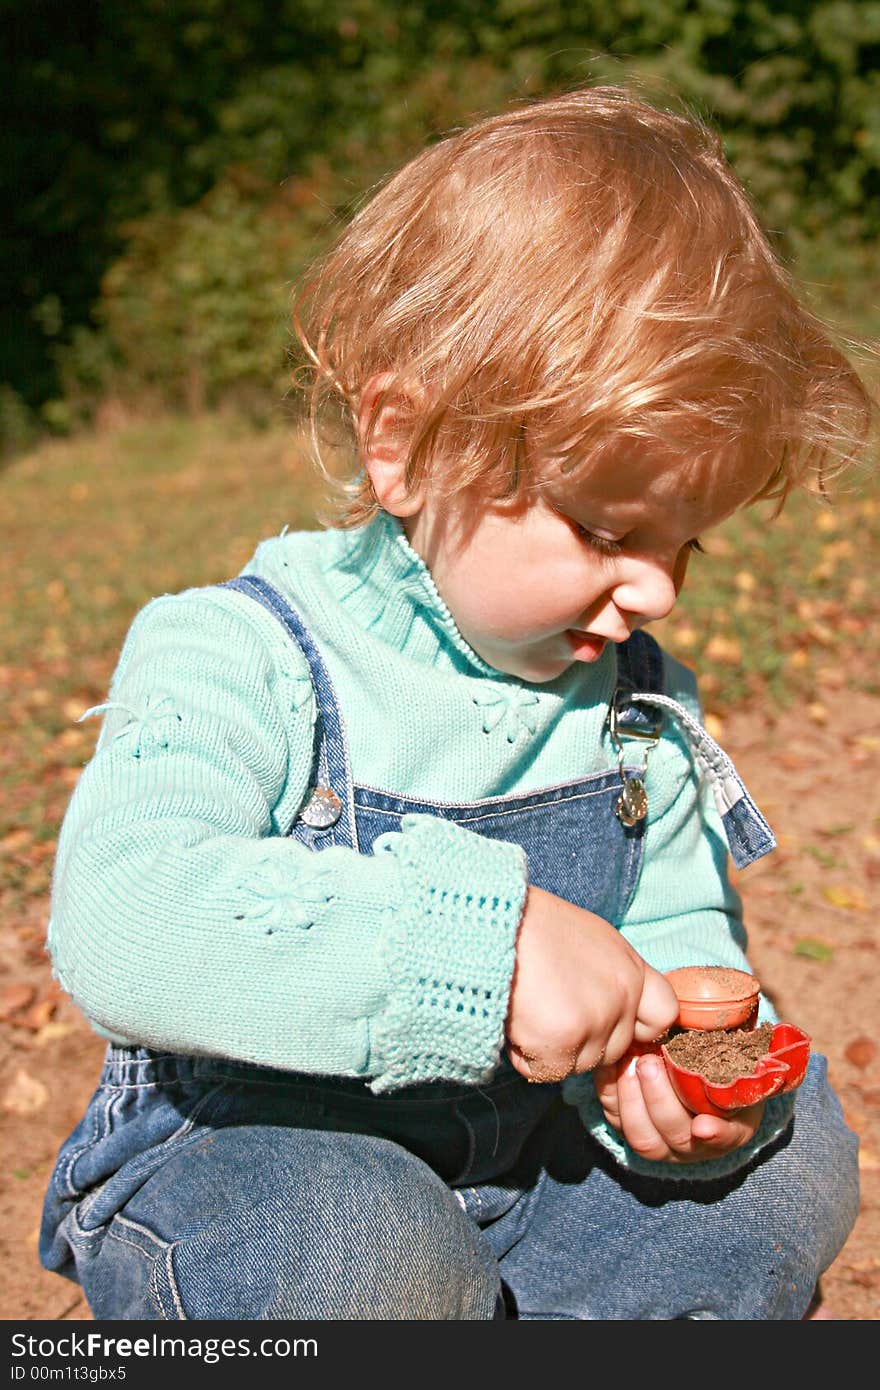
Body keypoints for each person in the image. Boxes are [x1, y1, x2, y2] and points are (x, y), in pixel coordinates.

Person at [40, 85, 874, 1321]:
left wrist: (679, 1082)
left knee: (792, 1143)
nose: (654, 588)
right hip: (255, 1168)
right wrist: (477, 951)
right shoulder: (239, 651)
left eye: (684, 544)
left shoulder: (634, 704)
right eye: (605, 528)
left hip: (527, 1170)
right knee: (348, 1243)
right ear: (407, 440)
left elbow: (682, 924)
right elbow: (126, 916)